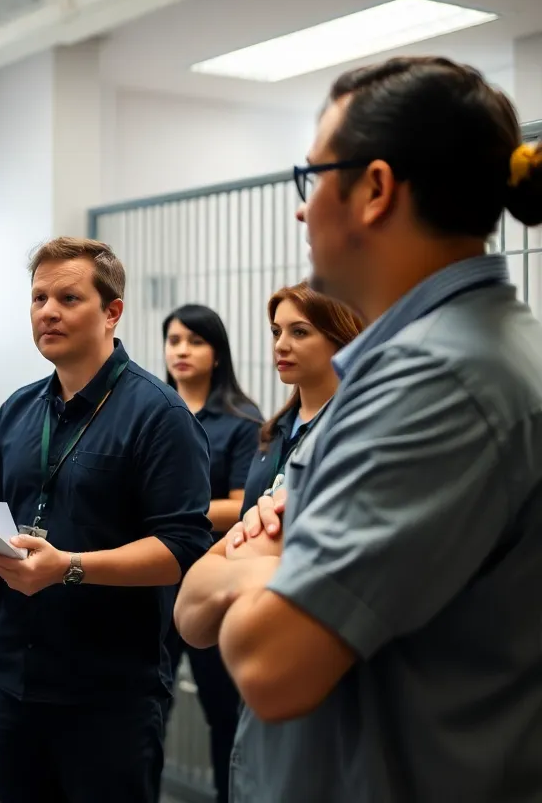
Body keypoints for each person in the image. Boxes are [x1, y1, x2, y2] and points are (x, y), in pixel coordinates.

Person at [176, 56, 542, 803]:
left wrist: (250, 565)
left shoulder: (440, 383)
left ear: (375, 189)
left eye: (313, 178)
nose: (303, 210)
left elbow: (267, 659)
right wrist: (282, 564)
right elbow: (194, 612)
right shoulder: (416, 363)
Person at [0, 237, 214, 803]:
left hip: (109, 694)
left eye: (68, 297)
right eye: (39, 297)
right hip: (15, 680)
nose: (48, 311)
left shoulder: (160, 416)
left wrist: (69, 567)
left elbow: (184, 548)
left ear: (111, 311)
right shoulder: (17, 409)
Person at [160, 303, 261, 803]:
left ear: (217, 353)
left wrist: (172, 510)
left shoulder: (243, 421)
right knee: (146, 705)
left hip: (214, 583)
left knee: (224, 711)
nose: (181, 350)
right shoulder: (153, 410)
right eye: (174, 339)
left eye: (194, 341)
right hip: (154, 579)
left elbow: (245, 505)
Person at [237, 283, 362, 519]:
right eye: (276, 332)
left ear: (340, 338)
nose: (280, 346)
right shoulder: (273, 430)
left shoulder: (351, 429)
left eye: (299, 332)